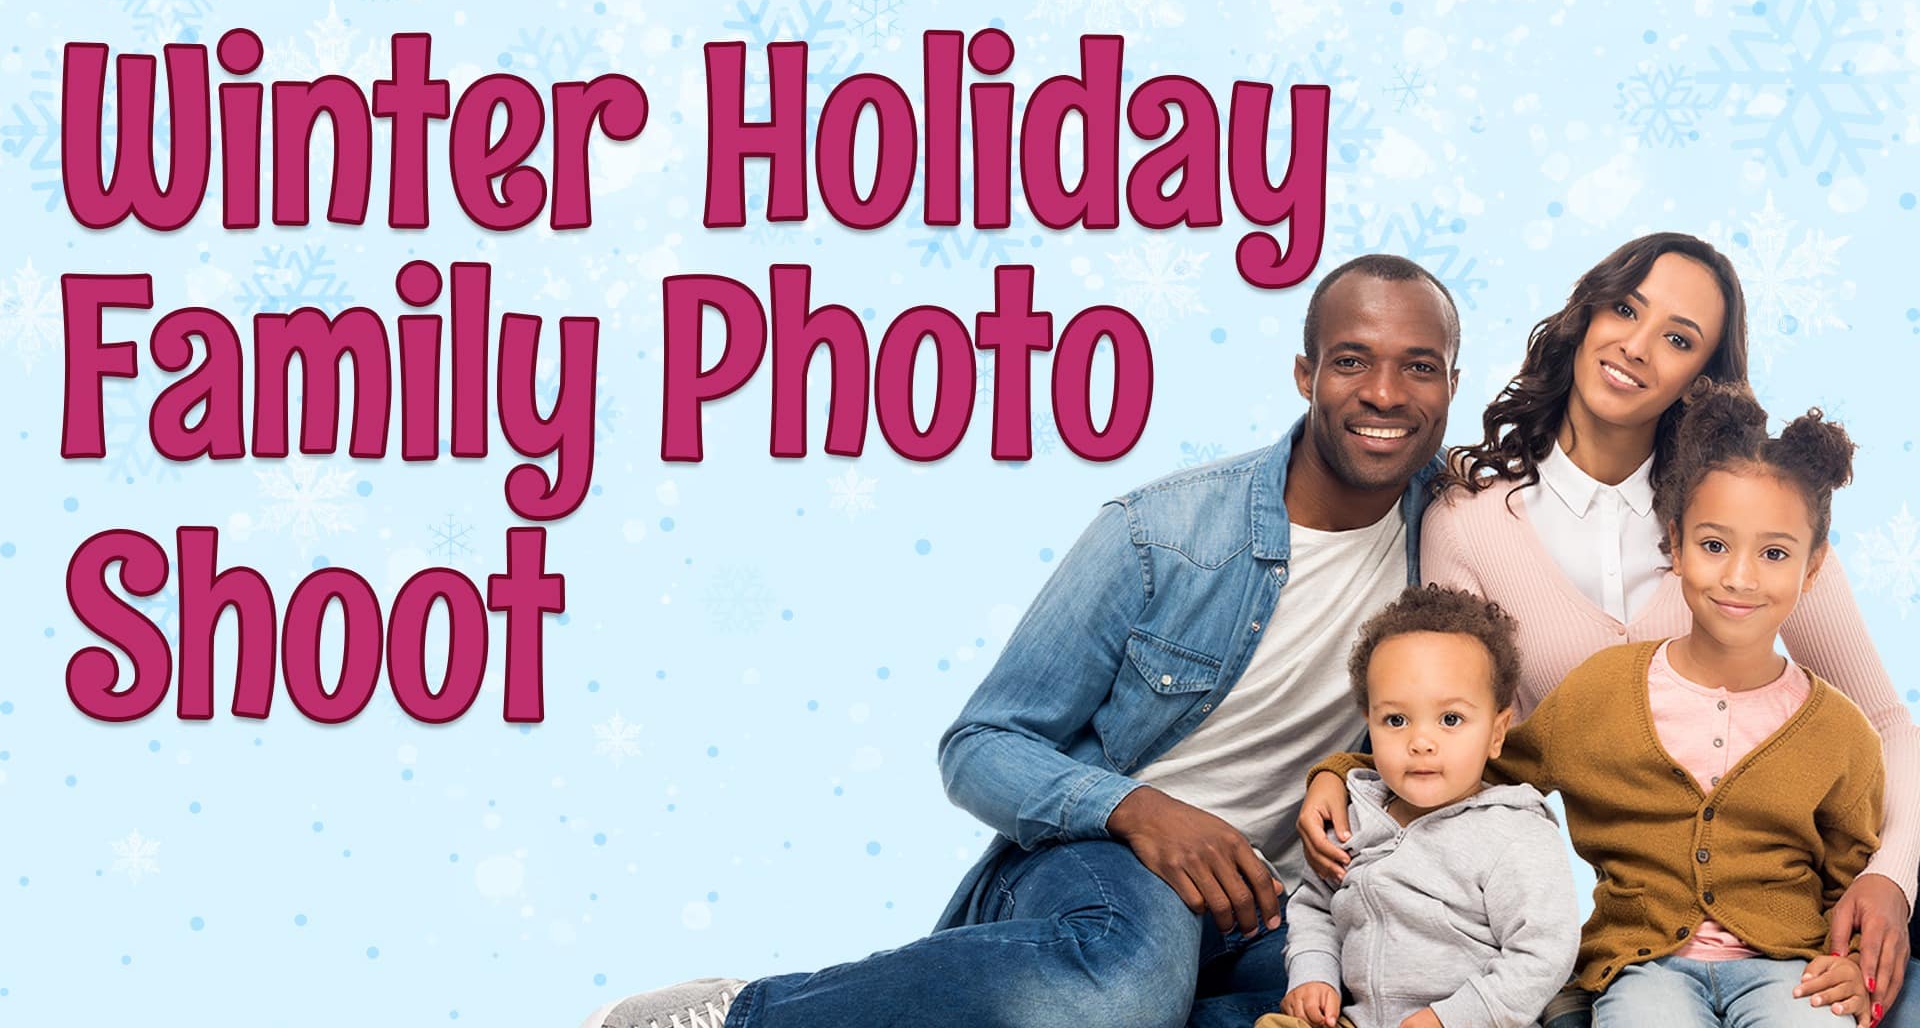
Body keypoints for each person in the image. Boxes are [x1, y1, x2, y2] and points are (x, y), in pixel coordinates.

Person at [582, 253, 1463, 1028]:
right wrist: (1141, 811)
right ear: (1305, 372)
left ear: (1451, 387)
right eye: (1353, 361)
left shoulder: (1456, 529)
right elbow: (979, 745)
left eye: (1418, 367)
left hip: (1276, 908)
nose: (1385, 394)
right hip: (1109, 867)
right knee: (1121, 992)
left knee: (1395, 1003)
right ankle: (740, 1016)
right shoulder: (1163, 535)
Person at [1295, 232, 1920, 1024]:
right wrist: (1341, 771)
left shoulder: (1745, 518)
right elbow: (1463, 722)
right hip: (1621, 933)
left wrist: (1890, 879)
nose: (1637, 345)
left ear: (1703, 375)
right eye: (1625, 308)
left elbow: (1887, 721)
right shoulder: (1471, 520)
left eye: (1679, 337)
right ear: (1585, 315)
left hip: (1784, 923)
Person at [1266, 584, 1579, 1028]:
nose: (1421, 742)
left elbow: (1545, 952)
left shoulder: (1514, 835)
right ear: (1369, 724)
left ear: (1496, 732)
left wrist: (1451, 1018)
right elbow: (1315, 906)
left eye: (1451, 719)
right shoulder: (1356, 819)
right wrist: (1313, 974)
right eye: (1396, 720)